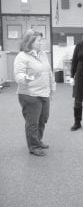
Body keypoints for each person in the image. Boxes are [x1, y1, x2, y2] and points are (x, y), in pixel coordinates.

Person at [14, 29, 56, 157]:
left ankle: (37, 140)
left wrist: (52, 87)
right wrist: (24, 78)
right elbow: (18, 74)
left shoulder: (43, 54)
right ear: (30, 41)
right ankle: (34, 146)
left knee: (43, 119)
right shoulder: (22, 56)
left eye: (41, 40)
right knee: (32, 122)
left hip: (44, 92)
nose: (41, 42)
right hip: (29, 94)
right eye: (39, 40)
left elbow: (49, 72)